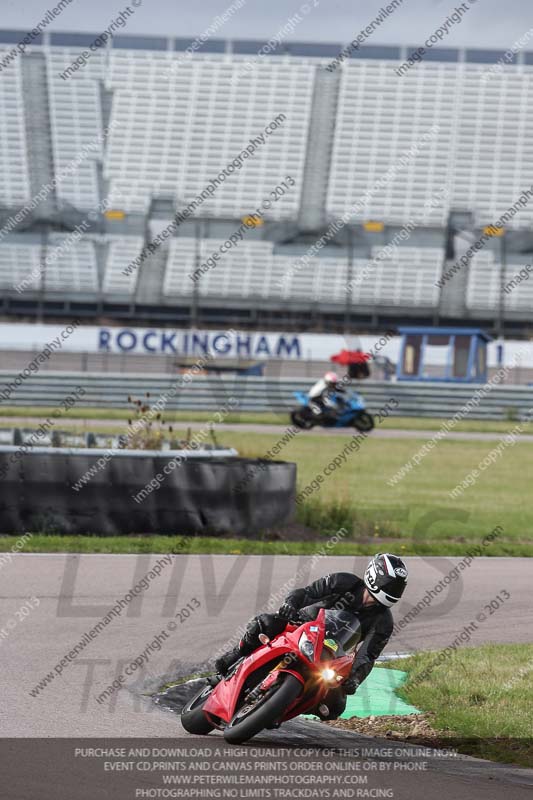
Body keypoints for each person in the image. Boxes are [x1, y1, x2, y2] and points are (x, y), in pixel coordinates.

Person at [214, 553, 408, 720]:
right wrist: (291, 604)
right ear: (375, 576)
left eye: (398, 587)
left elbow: (367, 655)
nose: (393, 591)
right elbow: (308, 593)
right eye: (391, 585)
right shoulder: (345, 581)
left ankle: (286, 706)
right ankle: (235, 654)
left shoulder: (384, 621)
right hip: (303, 625)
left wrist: (355, 679)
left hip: (331, 653)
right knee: (265, 623)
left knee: (335, 706)